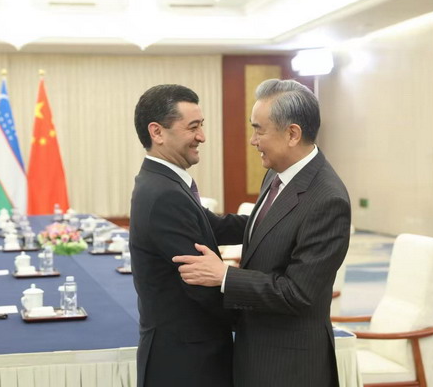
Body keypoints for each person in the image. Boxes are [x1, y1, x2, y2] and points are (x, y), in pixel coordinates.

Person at [173, 79, 351, 387]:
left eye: (259, 130)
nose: (253, 141)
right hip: (255, 348)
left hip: (289, 365)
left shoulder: (327, 199)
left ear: (292, 134)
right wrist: (184, 211)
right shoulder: (277, 173)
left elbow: (298, 293)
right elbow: (264, 227)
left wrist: (225, 276)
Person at [130, 84, 246, 387]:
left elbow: (214, 226)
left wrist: (280, 220)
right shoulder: (164, 193)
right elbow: (201, 284)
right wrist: (260, 319)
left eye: (201, 126)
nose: (202, 137)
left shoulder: (162, 183)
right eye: (193, 127)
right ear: (157, 132)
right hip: (188, 363)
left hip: (183, 354)